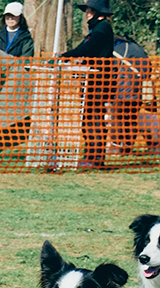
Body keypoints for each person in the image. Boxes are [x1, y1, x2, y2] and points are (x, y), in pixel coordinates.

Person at [59, 0, 118, 170]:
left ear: (99, 12)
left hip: (99, 81)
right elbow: (84, 48)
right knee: (88, 118)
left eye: (91, 10)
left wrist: (65, 56)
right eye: (87, 10)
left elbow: (89, 49)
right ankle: (90, 154)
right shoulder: (95, 29)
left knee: (94, 118)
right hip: (91, 81)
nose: (87, 13)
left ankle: (96, 158)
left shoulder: (102, 27)